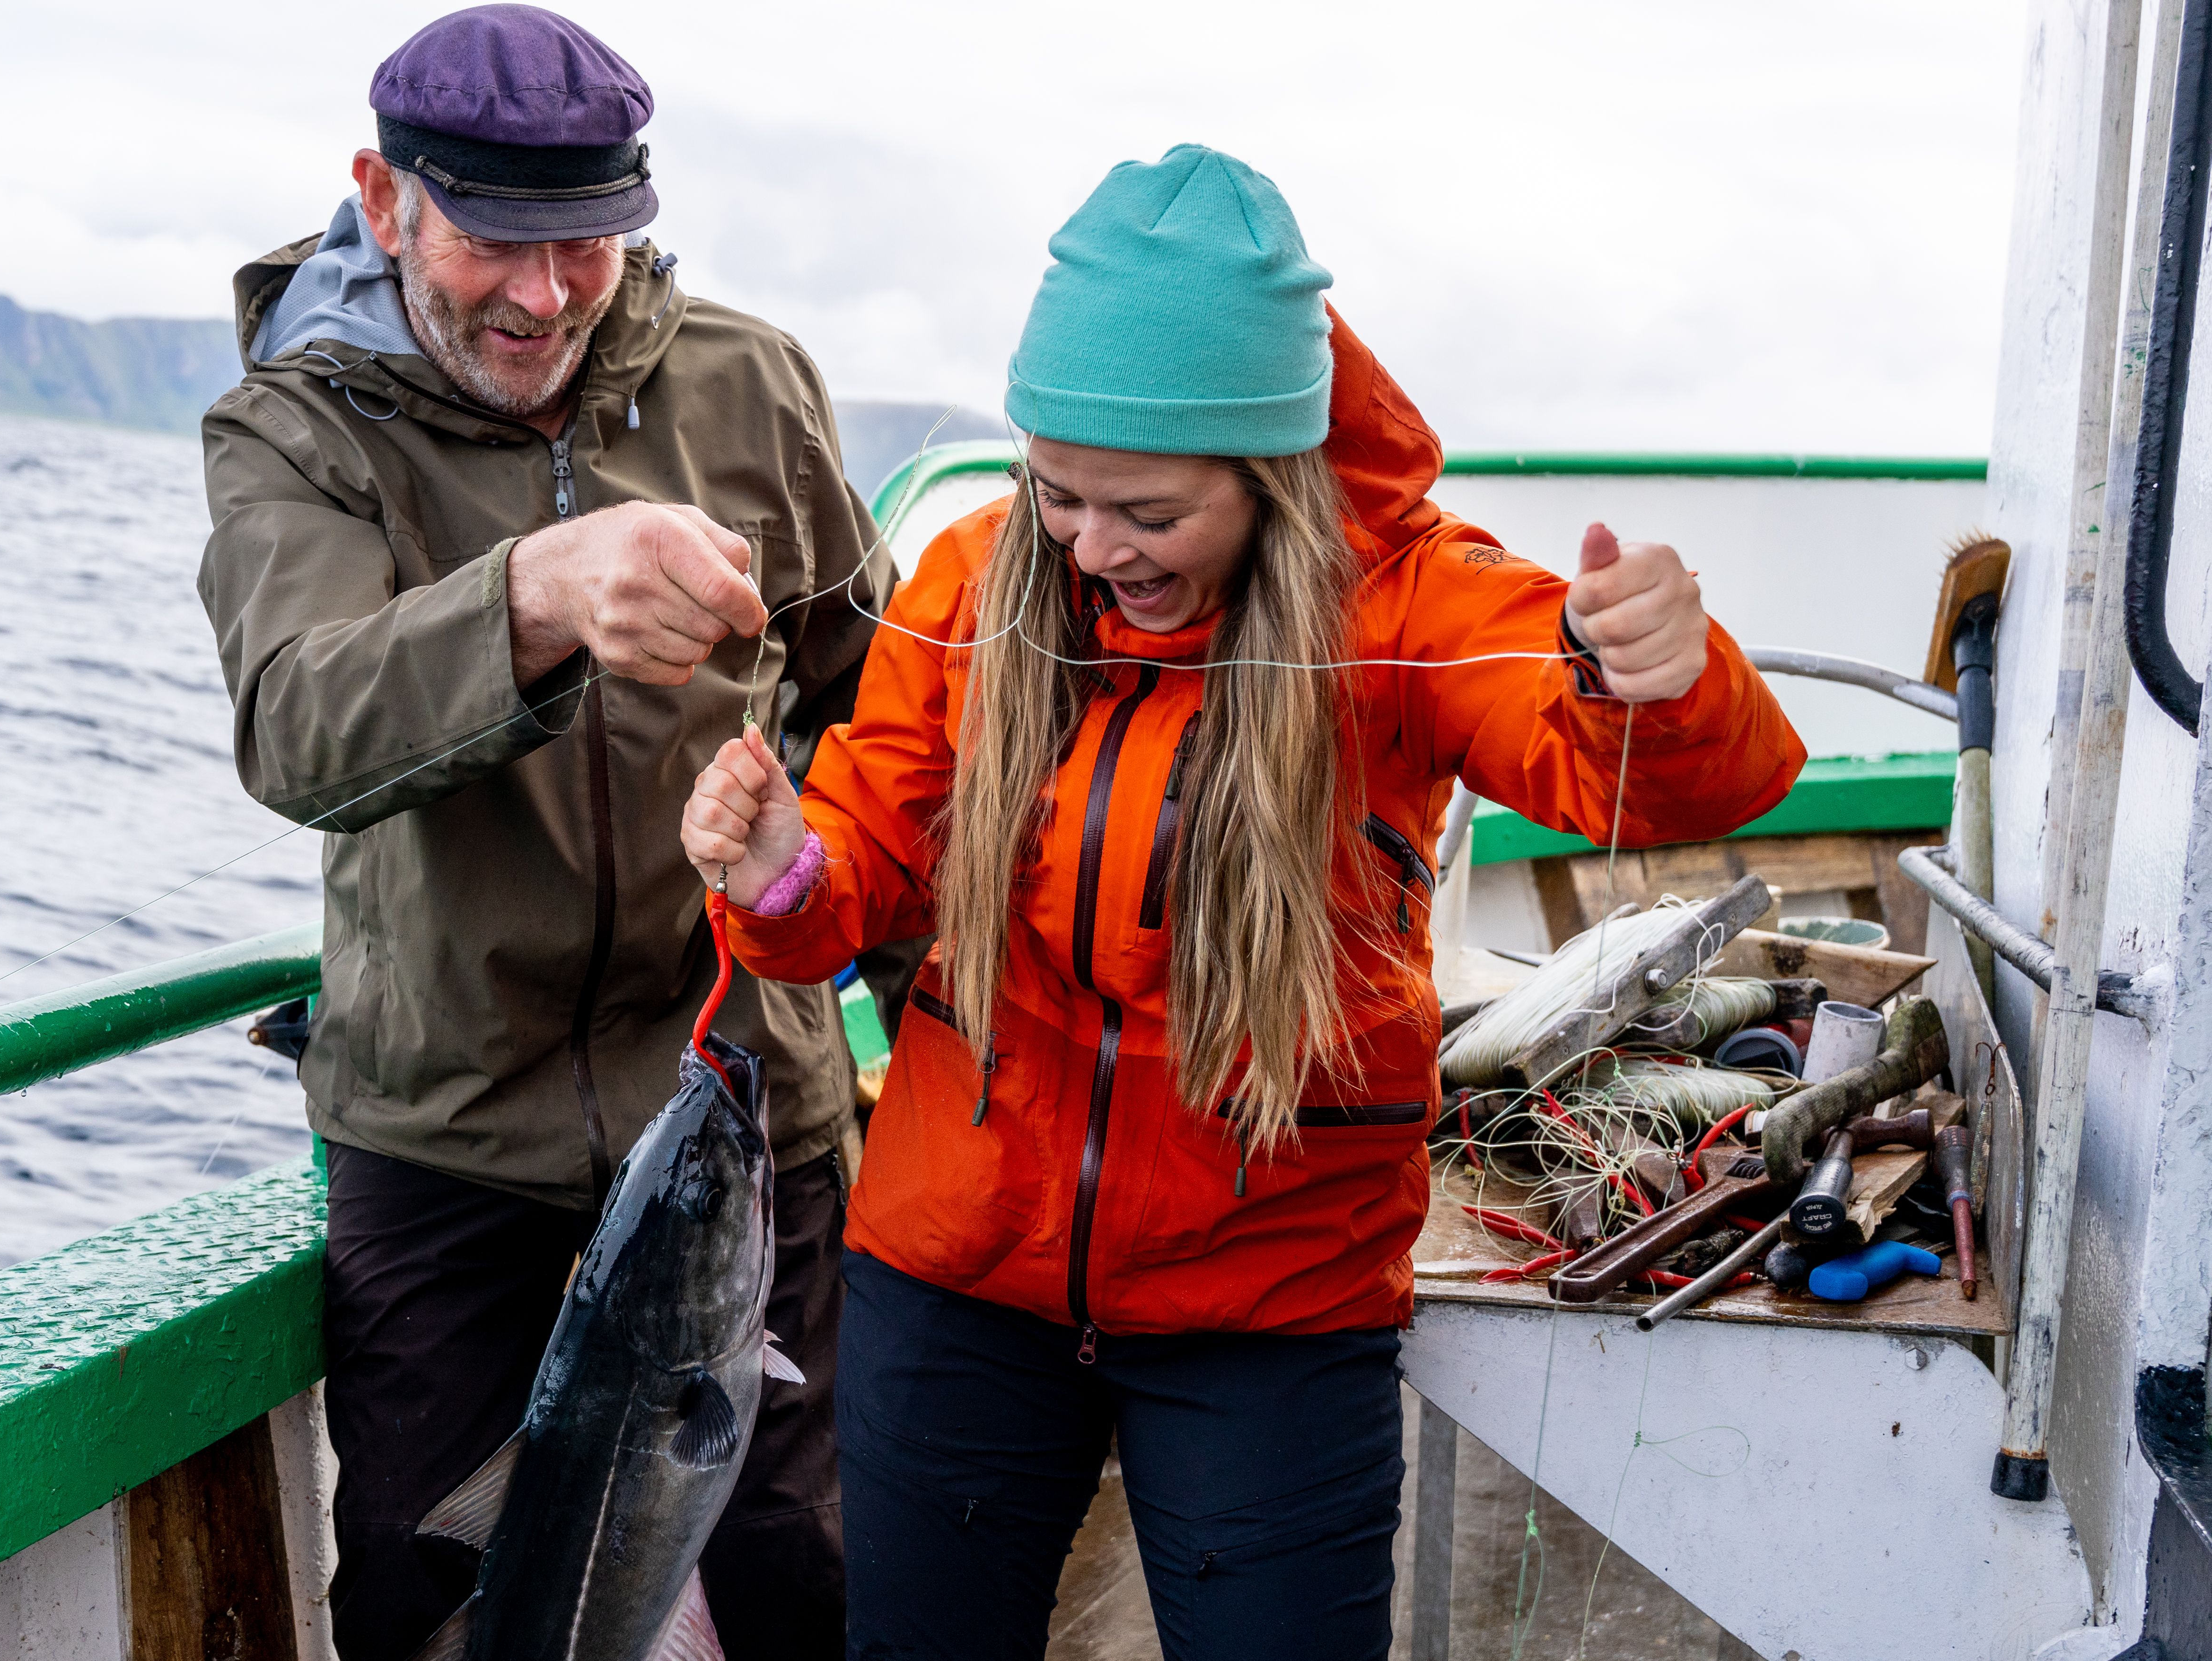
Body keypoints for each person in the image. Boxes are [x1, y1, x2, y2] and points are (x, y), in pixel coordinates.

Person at [678, 146, 1807, 1660]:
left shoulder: (1407, 605)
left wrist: (1656, 676)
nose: (1091, 548)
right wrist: (773, 878)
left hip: (1272, 1306)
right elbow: (846, 888)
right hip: (953, 1287)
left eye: (1147, 510)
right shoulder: (969, 578)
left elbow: (1676, 778)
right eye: (1060, 493)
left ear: (1269, 472)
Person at [194, 8, 884, 1659]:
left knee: (810, 1587)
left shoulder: (751, 381)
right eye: (497, 241)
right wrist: (535, 594)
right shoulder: (292, 431)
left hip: (741, 1119)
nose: (545, 293)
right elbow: (297, 722)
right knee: (436, 1605)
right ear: (385, 198)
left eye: (589, 243)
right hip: (449, 1138)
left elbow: (878, 710)